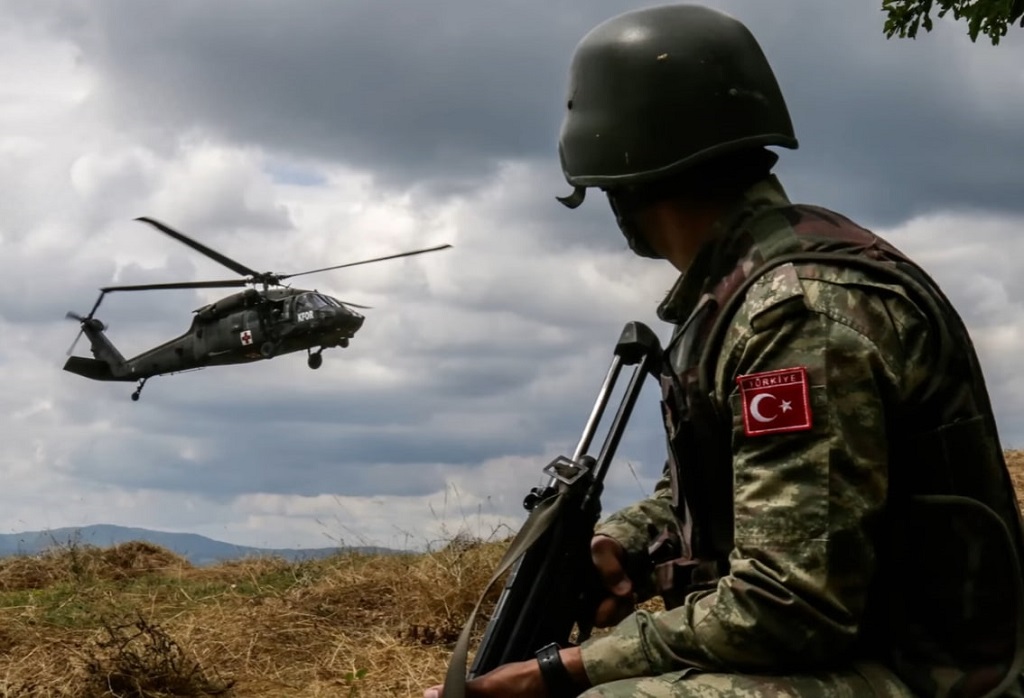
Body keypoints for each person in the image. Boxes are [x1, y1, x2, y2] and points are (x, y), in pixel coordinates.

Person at [425, 4, 1024, 697]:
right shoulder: (741, 290)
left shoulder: (793, 315)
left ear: (621, 180)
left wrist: (564, 670)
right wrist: (624, 547)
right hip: (868, 651)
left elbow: (788, 606)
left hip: (930, 676)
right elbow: (730, 497)